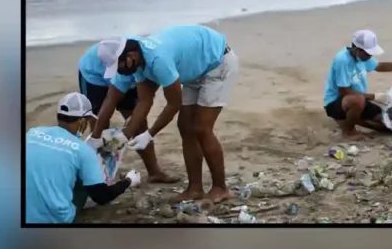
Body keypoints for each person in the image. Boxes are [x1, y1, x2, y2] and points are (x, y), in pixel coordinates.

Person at [100, 25, 239, 203]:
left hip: (218, 62)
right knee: (185, 127)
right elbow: (144, 101)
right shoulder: (139, 64)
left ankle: (221, 187)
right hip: (196, 70)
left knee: (202, 128)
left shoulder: (158, 59)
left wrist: (149, 135)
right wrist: (126, 136)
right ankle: (195, 188)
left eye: (119, 67)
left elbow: (174, 103)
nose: (120, 72)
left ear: (131, 56)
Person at [25, 92, 141, 223]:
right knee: (85, 179)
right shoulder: (82, 150)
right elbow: (101, 197)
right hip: (54, 219)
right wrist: (128, 181)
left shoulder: (32, 133)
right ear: (82, 121)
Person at [78, 37, 178, 184]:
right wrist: (95, 137)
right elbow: (110, 100)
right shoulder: (112, 63)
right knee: (98, 123)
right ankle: (97, 177)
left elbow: (144, 103)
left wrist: (128, 134)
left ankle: (154, 172)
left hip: (126, 68)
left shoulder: (136, 58)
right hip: (94, 76)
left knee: (138, 122)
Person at [322, 29, 392, 141]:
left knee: (387, 125)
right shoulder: (342, 60)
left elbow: (380, 66)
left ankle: (351, 120)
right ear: (356, 49)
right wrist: (374, 97)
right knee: (357, 100)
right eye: (368, 54)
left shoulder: (362, 57)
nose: (369, 57)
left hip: (358, 101)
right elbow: (344, 92)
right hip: (336, 103)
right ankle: (348, 132)